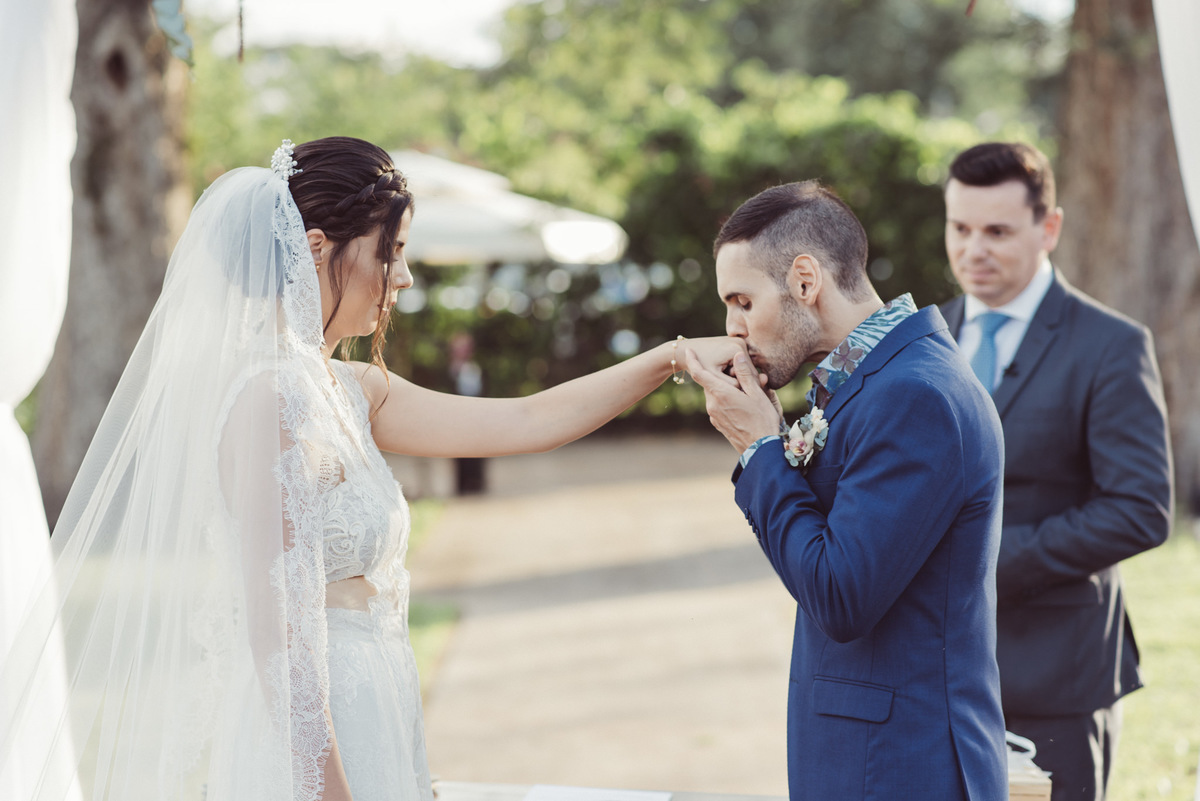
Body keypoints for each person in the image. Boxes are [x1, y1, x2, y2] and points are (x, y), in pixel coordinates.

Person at [0, 136, 745, 801]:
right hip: (313, 753)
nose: (406, 277)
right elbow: (279, 641)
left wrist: (671, 358)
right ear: (320, 247)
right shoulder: (268, 400)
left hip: (378, 710)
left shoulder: (347, 390)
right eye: (391, 251)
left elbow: (526, 420)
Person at [686, 181, 1008, 801]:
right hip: (865, 758)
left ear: (806, 281)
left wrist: (759, 450)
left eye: (742, 302)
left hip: (903, 768)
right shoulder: (872, 380)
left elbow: (841, 595)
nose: (732, 328)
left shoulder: (917, 396)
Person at [938, 142, 1173, 801]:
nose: (973, 248)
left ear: (1049, 228)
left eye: (997, 231)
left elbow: (1141, 507)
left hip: (1057, 678)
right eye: (960, 227)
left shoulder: (1112, 345)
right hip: (935, 676)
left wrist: (987, 563)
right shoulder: (931, 338)